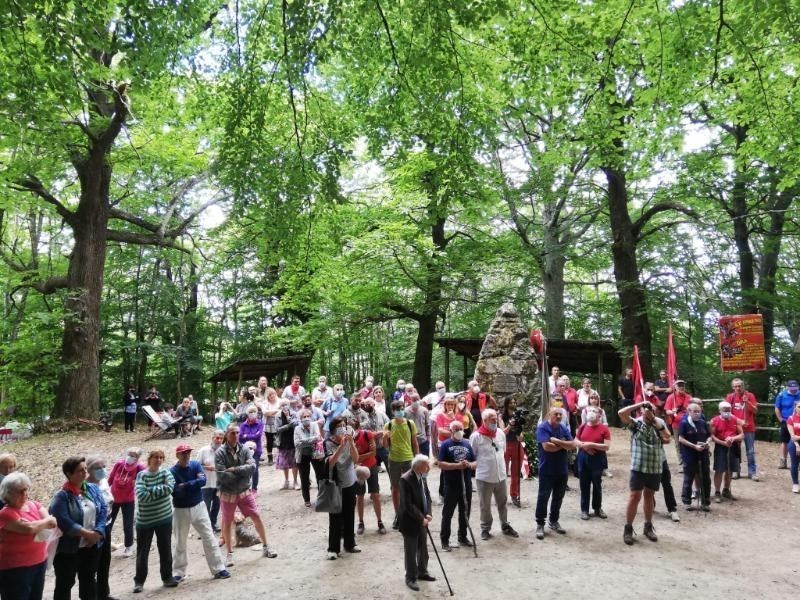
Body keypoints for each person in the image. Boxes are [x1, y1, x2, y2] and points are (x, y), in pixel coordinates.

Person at [215, 424, 277, 565]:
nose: (236, 435)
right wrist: (242, 474)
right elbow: (222, 475)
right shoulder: (220, 453)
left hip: (244, 491)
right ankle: (229, 554)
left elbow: (252, 466)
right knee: (227, 521)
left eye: (237, 432)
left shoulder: (244, 449)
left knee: (256, 516)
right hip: (228, 493)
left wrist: (235, 470)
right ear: (226, 434)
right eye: (232, 433)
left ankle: (266, 546)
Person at [50, 456, 108, 599]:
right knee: (65, 583)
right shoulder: (61, 496)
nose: (84, 473)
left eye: (85, 469)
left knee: (88, 581)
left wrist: (98, 532)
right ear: (69, 474)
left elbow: (103, 510)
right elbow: (63, 520)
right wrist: (86, 534)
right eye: (79, 471)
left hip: (91, 546)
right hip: (68, 550)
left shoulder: (93, 488)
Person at [170, 444, 230, 582]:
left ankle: (218, 568)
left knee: (209, 536)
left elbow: (202, 481)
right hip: (181, 509)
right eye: (183, 453)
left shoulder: (196, 465)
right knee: (180, 541)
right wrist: (193, 483)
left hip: (199, 506)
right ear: (177, 455)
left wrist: (185, 485)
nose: (186, 456)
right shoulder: (172, 471)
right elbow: (175, 491)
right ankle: (178, 572)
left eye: (188, 453)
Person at [618, 400, 670, 545]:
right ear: (641, 411)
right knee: (634, 496)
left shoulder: (659, 423)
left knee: (649, 495)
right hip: (639, 466)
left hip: (655, 466)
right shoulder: (636, 424)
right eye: (645, 409)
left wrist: (653, 420)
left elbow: (668, 437)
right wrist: (640, 403)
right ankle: (628, 528)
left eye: (651, 408)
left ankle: (648, 526)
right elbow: (621, 413)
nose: (648, 410)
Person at [0, 472, 57, 600]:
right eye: (20, 491)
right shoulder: (6, 513)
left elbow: (52, 522)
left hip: (39, 562)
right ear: (8, 494)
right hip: (15, 568)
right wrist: (41, 524)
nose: (25, 494)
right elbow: (28, 529)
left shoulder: (34, 505)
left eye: (26, 490)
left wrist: (37, 524)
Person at [133, 449, 178, 593]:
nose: (158, 460)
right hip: (145, 521)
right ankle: (139, 581)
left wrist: (151, 490)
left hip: (164, 518)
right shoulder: (142, 475)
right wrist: (159, 490)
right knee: (142, 552)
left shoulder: (166, 473)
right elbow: (141, 495)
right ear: (149, 458)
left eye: (161, 457)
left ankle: (167, 577)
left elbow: (170, 488)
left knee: (165, 549)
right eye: (155, 457)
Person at [470, 408, 518, 540]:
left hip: (501, 475)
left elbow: (503, 451)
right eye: (492, 420)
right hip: (484, 476)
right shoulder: (476, 437)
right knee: (485, 505)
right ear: (484, 421)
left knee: (502, 503)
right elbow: (471, 456)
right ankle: (485, 528)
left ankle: (505, 525)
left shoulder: (500, 434)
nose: (494, 422)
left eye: (496, 419)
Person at [534, 407, 576, 540]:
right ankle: (540, 523)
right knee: (543, 497)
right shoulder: (542, 428)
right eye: (555, 414)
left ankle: (554, 521)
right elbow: (547, 447)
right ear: (549, 415)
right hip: (547, 469)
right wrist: (564, 445)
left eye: (560, 414)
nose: (558, 416)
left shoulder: (563, 428)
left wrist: (557, 442)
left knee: (558, 497)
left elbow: (572, 445)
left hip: (562, 470)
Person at [398, 454, 436, 591]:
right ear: (420, 466)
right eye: (427, 465)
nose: (429, 468)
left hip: (422, 519)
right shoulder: (405, 479)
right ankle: (411, 577)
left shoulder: (422, 476)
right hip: (410, 521)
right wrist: (422, 519)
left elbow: (427, 496)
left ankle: (422, 572)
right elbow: (408, 505)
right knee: (411, 550)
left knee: (423, 548)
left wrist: (429, 513)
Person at [325, 416, 360, 559]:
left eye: (344, 425)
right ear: (333, 430)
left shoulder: (350, 440)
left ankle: (350, 544)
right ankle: (333, 549)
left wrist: (351, 444)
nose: (342, 428)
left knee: (349, 514)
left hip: (350, 482)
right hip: (335, 485)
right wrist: (340, 446)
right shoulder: (328, 443)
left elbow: (356, 459)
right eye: (339, 426)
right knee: (335, 517)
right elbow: (331, 463)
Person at [438, 420, 475, 551]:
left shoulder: (467, 443)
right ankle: (445, 540)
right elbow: (441, 464)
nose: (459, 431)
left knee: (465, 511)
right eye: (456, 429)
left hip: (466, 484)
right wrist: (456, 466)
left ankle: (463, 537)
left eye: (461, 428)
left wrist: (468, 465)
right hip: (451, 484)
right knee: (448, 513)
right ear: (451, 431)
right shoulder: (445, 444)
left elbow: (475, 462)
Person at [383, 400, 419, 528]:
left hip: (408, 458)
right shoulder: (388, 425)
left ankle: (412, 513)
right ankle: (398, 514)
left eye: (401, 408)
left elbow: (414, 442)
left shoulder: (410, 424)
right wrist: (384, 437)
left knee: (411, 486)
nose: (400, 411)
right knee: (395, 488)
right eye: (397, 409)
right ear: (392, 411)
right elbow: (385, 446)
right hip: (394, 459)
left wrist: (418, 457)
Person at [86, 456, 116, 600]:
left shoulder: (103, 481)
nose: (102, 470)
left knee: (105, 560)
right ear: (89, 470)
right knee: (92, 564)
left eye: (103, 466)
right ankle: (92, 595)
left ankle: (104, 593)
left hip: (107, 525)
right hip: (93, 530)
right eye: (98, 468)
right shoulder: (85, 486)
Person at [351, 413, 385, 534]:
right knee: (359, 496)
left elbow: (373, 452)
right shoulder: (348, 439)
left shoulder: (367, 434)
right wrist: (361, 456)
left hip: (371, 466)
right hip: (358, 469)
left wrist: (358, 457)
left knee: (375, 494)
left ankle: (380, 522)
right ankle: (361, 522)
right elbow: (353, 458)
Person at [108, 447, 145, 558]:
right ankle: (106, 543)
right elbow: (111, 477)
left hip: (128, 499)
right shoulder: (119, 464)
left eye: (133, 455)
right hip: (113, 498)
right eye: (129, 454)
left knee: (127, 524)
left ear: (137, 458)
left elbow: (145, 478)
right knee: (108, 522)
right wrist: (105, 490)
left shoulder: (139, 467)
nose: (130, 457)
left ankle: (129, 546)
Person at [576, 407, 611, 520]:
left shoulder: (604, 429)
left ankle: (597, 508)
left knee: (597, 484)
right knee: (584, 484)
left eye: (594, 411)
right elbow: (575, 440)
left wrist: (591, 445)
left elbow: (606, 446)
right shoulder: (583, 426)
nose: (591, 413)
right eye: (589, 411)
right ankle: (584, 510)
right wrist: (585, 447)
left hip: (598, 459)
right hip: (583, 458)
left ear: (599, 415)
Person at [678, 403, 712, 511]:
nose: (697, 414)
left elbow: (710, 435)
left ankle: (705, 502)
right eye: (695, 411)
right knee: (689, 478)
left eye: (699, 411)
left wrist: (707, 442)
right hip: (689, 454)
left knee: (705, 478)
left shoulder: (703, 423)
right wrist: (694, 446)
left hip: (703, 454)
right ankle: (687, 501)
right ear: (689, 411)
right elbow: (681, 439)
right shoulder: (684, 423)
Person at [710, 401, 743, 503]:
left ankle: (726, 490)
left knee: (730, 469)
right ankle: (717, 492)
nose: (727, 412)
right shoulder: (714, 421)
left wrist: (733, 438)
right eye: (724, 410)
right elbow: (712, 436)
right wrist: (722, 442)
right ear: (720, 410)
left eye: (728, 410)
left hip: (733, 447)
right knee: (719, 470)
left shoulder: (735, 419)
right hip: (721, 447)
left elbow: (742, 434)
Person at [727, 378, 759, 480]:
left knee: (750, 451)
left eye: (739, 386)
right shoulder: (730, 397)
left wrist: (747, 402)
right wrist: (738, 422)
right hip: (736, 428)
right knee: (736, 450)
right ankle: (736, 470)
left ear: (743, 386)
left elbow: (755, 411)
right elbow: (727, 413)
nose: (738, 388)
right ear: (733, 387)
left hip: (749, 428)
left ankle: (752, 472)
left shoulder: (750, 396)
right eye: (735, 386)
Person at [294, 408, 324, 507]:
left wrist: (304, 440)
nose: (306, 418)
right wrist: (312, 440)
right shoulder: (297, 429)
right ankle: (306, 499)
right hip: (302, 455)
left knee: (320, 476)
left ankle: (322, 497)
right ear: (300, 418)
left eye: (308, 416)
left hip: (315, 454)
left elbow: (318, 437)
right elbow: (297, 444)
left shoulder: (314, 425)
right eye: (304, 417)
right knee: (304, 478)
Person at [499, 397, 523, 507]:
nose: (513, 404)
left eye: (514, 402)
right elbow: (502, 432)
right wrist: (510, 424)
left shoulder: (518, 416)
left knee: (516, 472)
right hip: (506, 445)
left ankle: (514, 495)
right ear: (506, 404)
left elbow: (521, 434)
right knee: (503, 471)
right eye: (511, 402)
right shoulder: (501, 416)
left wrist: (520, 435)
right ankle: (501, 495)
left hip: (517, 445)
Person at [198, 430, 224, 532]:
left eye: (221, 438)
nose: (218, 440)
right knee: (206, 506)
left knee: (217, 505)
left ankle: (213, 523)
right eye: (217, 438)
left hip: (219, 483)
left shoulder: (223, 450)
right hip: (206, 483)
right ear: (212, 438)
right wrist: (205, 467)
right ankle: (206, 527)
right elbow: (196, 466)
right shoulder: (203, 450)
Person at [665, 379, 692, 470]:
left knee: (689, 441)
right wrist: (672, 412)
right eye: (679, 385)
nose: (681, 387)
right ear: (675, 387)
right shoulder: (671, 398)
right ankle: (681, 462)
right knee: (678, 443)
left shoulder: (689, 397)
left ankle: (689, 460)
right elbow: (667, 411)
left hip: (688, 424)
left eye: (682, 385)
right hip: (676, 424)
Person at [238, 405, 265, 492]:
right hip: (245, 450)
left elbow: (258, 436)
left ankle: (254, 488)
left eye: (254, 411)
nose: (252, 413)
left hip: (257, 450)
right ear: (247, 413)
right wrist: (250, 436)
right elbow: (240, 437)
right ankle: (246, 487)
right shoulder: (243, 425)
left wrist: (246, 436)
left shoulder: (260, 423)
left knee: (255, 469)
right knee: (245, 468)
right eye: (250, 412)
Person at [775, 380, 800, 469]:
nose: (794, 390)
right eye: (792, 389)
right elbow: (777, 408)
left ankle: (798, 463)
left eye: (795, 388)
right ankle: (783, 461)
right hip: (785, 421)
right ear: (788, 387)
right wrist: (781, 419)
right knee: (784, 441)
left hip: (798, 421)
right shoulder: (781, 395)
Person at [275, 401, 299, 490]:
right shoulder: (277, 416)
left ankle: (295, 481)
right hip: (282, 442)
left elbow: (296, 425)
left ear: (289, 406)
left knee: (295, 463)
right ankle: (286, 481)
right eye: (282, 405)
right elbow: (277, 429)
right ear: (280, 406)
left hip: (293, 441)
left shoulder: (294, 414)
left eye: (286, 405)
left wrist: (288, 417)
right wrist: (288, 426)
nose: (284, 407)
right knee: (284, 463)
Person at [262, 387, 281, 466]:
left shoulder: (279, 401)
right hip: (268, 425)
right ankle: (270, 457)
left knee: (279, 440)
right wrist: (276, 410)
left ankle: (280, 457)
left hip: (278, 424)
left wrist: (271, 412)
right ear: (267, 396)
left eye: (273, 394)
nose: (272, 396)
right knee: (269, 441)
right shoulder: (265, 403)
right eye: (270, 395)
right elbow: (265, 412)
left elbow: (282, 410)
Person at [785, 401, 800, 493]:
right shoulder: (791, 418)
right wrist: (797, 445)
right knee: (794, 464)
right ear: (795, 407)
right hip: (794, 444)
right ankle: (795, 483)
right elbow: (792, 436)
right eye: (799, 406)